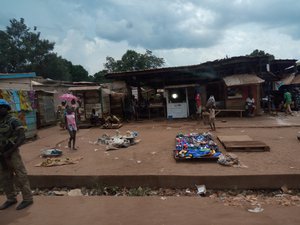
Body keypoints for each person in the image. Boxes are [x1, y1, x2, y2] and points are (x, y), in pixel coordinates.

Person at [0, 99, 33, 210]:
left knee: (20, 175)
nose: (0, 110)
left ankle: (27, 199)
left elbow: (22, 137)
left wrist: (10, 150)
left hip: (12, 152)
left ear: (7, 108)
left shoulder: (14, 121)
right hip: (2, 154)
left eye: (2, 107)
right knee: (5, 176)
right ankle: (11, 198)